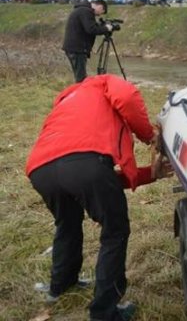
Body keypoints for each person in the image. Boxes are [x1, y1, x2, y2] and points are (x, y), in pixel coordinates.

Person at [26, 75, 171, 321]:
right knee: (115, 231)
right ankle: (105, 312)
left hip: (40, 170)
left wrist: (150, 175)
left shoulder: (65, 100)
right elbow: (126, 97)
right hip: (85, 165)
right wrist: (149, 136)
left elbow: (94, 179)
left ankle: (61, 285)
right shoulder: (101, 82)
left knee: (67, 224)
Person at [62, 0, 113, 82]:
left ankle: (80, 92)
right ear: (100, 7)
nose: (99, 15)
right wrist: (106, 28)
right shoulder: (86, 11)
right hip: (77, 49)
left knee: (80, 76)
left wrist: (100, 26)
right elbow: (91, 29)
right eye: (101, 12)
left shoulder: (82, 9)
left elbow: (88, 27)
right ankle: (80, 94)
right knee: (81, 78)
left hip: (74, 48)